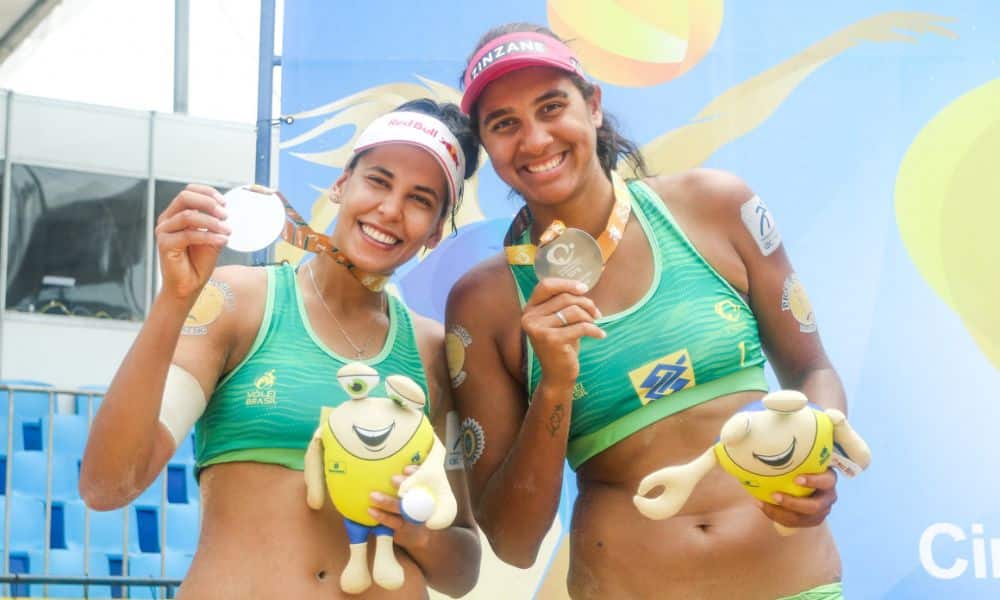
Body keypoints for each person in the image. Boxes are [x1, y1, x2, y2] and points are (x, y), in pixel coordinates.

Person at [446, 24, 849, 600]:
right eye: (504, 124)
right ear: (487, 147)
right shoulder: (484, 303)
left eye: (552, 107)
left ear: (593, 105)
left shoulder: (716, 206)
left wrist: (821, 455)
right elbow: (513, 541)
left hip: (795, 583)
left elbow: (814, 371)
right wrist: (554, 386)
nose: (534, 140)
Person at [79, 99, 482, 599]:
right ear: (342, 183)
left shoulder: (430, 349)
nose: (391, 209)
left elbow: (462, 566)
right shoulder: (237, 303)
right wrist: (173, 301)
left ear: (437, 231)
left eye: (420, 199)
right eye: (378, 180)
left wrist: (410, 526)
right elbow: (107, 484)